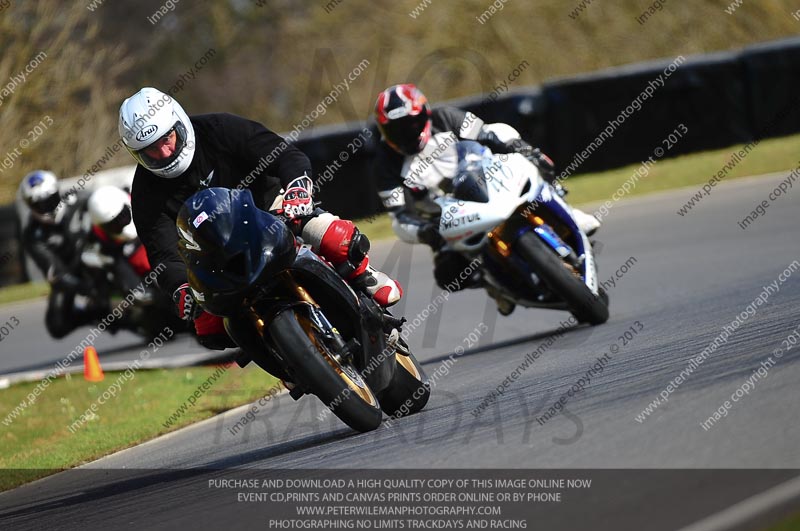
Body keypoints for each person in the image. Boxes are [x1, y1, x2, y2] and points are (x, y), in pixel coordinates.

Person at [119, 87, 402, 350]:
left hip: (270, 209)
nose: (164, 153)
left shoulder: (219, 128)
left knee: (333, 236)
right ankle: (281, 354)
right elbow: (163, 254)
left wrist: (297, 188)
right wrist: (181, 287)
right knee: (208, 327)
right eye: (151, 150)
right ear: (137, 153)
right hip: (214, 255)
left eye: (167, 139)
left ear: (178, 123)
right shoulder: (145, 193)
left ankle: (363, 277)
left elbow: (284, 154)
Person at [372, 84, 601, 312]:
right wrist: (425, 231)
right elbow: (400, 216)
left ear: (424, 114)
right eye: (395, 130)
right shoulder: (386, 163)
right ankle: (492, 283)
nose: (405, 134)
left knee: (526, 153)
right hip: (446, 216)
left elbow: (488, 133)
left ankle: (566, 209)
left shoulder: (446, 117)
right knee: (448, 274)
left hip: (486, 178)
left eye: (410, 124)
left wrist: (517, 147)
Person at [19, 170, 101, 338]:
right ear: (30, 206)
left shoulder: (79, 199)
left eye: (49, 200)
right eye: (39, 204)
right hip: (71, 270)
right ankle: (101, 314)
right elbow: (54, 272)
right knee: (57, 324)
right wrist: (83, 288)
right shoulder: (33, 234)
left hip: (101, 252)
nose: (46, 207)